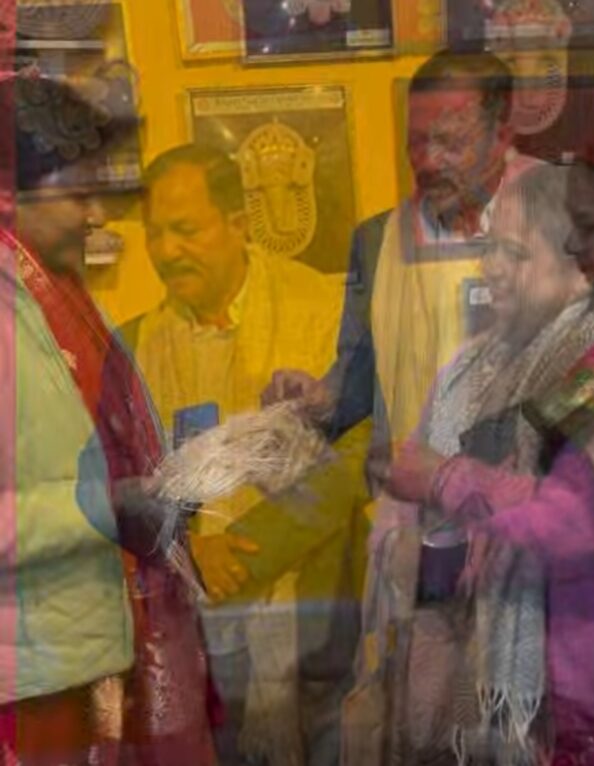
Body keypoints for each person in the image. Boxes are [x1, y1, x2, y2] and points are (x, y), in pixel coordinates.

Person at [354, 161, 594, 765]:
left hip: (584, 688)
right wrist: (407, 534)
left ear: (582, 267)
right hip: (471, 670)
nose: (491, 267)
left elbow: (579, 523)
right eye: (489, 247)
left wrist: (444, 480)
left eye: (515, 252)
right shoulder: (467, 370)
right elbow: (408, 507)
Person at [121, 143, 363, 766]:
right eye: (155, 233)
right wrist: (188, 544)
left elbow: (354, 456)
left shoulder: (324, 313)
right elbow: (122, 479)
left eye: (185, 229)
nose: (166, 250)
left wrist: (240, 552)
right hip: (192, 635)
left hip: (309, 617)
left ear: (237, 223)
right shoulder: (136, 346)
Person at [0, 72, 215, 764]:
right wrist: (108, 506)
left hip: (83, 653)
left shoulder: (52, 291)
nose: (96, 214)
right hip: (32, 685)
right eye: (77, 192)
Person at [263, 50, 539, 493]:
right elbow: (359, 378)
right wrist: (318, 399)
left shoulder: (562, 240)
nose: (427, 161)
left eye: (450, 143)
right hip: (410, 515)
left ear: (501, 137)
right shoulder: (377, 242)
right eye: (417, 142)